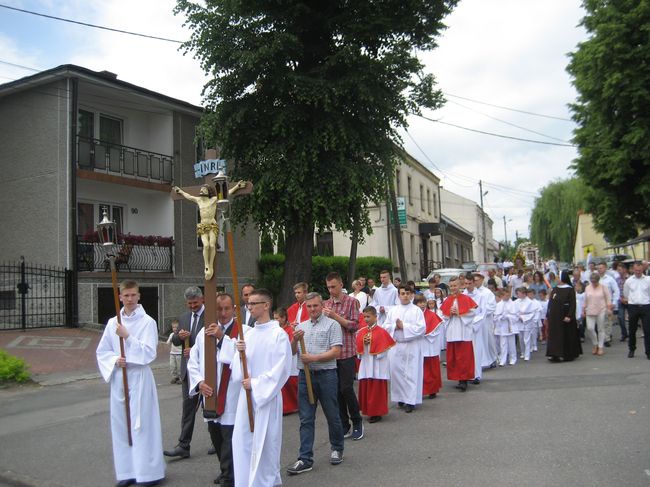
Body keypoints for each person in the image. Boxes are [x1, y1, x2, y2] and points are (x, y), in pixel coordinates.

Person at [96, 280, 165, 487]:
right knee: (121, 424)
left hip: (139, 376)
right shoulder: (112, 323)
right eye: (126, 295)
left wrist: (128, 337)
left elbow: (149, 352)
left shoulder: (147, 322)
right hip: (120, 376)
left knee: (141, 424)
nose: (130, 299)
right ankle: (127, 471)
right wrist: (115, 361)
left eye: (133, 295)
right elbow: (103, 351)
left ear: (139, 296)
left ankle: (149, 472)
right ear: (119, 297)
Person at [231, 289, 292, 486]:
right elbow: (238, 372)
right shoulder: (247, 334)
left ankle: (264, 482)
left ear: (266, 305)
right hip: (246, 398)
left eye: (253, 304)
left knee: (266, 444)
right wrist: (240, 354)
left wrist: (256, 384)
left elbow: (281, 370)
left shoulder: (278, 335)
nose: (249, 307)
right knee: (242, 442)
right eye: (248, 304)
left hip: (266, 398)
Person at [187, 293, 248, 487]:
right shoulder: (204, 332)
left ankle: (229, 477)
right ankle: (226, 471)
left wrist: (222, 338)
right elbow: (193, 361)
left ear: (234, 309)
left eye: (227, 309)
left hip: (231, 395)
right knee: (217, 437)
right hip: (210, 395)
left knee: (230, 439)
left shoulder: (243, 331)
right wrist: (199, 382)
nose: (223, 313)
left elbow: (242, 357)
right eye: (219, 309)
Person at [287, 292, 344, 475]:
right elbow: (292, 351)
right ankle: (305, 458)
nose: (312, 309)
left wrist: (314, 358)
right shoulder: (301, 327)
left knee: (332, 414)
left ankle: (336, 447)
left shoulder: (332, 325)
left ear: (321, 305)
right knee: (305, 418)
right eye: (309, 306)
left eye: (315, 306)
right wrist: (295, 340)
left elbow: (336, 352)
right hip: (305, 377)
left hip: (326, 375)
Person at [164, 286, 205, 459]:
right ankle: (183, 445)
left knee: (211, 409)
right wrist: (179, 337)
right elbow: (175, 341)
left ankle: (216, 442)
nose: (192, 306)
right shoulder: (184, 317)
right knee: (188, 409)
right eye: (189, 304)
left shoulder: (211, 316)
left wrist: (194, 348)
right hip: (188, 371)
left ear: (202, 299)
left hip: (206, 370)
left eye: (195, 303)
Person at [323, 272, 363, 440]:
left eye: (333, 286)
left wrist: (335, 317)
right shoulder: (326, 304)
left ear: (340, 284)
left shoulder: (351, 302)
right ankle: (344, 424)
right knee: (335, 391)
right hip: (332, 352)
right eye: (328, 287)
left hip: (346, 351)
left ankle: (357, 422)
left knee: (346, 388)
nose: (331, 290)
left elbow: (354, 325)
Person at [383, 285, 426, 412]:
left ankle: (410, 400)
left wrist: (404, 326)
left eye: (407, 293)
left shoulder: (416, 310)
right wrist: (394, 327)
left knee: (410, 373)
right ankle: (400, 397)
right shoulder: (393, 310)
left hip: (411, 345)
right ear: (398, 295)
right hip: (396, 345)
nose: (405, 296)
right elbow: (385, 326)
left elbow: (421, 328)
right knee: (397, 373)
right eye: (402, 293)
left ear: (412, 295)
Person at [356, 306, 395, 423]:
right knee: (366, 386)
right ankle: (367, 410)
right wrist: (364, 343)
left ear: (375, 317)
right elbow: (358, 348)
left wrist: (372, 342)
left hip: (378, 365)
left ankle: (377, 412)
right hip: (366, 363)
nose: (366, 319)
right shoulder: (361, 331)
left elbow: (385, 348)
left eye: (368, 316)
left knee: (376, 388)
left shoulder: (382, 331)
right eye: (364, 317)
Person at [173, 184, 219, 280]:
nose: (202, 190)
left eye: (204, 189)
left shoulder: (213, 199)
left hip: (212, 225)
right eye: (201, 189)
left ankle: (211, 266)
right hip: (202, 226)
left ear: (208, 191)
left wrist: (237, 187)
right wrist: (180, 191)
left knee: (212, 245)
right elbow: (189, 196)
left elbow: (226, 194)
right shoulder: (199, 200)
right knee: (206, 245)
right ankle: (206, 266)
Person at [440, 277, 477, 391]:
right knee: (455, 358)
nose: (453, 288)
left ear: (460, 286)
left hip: (463, 332)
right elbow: (442, 316)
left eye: (455, 285)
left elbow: (473, 312)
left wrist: (460, 312)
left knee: (464, 358)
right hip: (452, 332)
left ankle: (464, 380)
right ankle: (458, 378)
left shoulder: (466, 298)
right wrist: (449, 314)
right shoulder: (447, 300)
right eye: (451, 286)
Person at [545, 270, 582, 362]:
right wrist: (547, 314)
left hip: (565, 316)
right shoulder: (555, 289)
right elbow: (550, 302)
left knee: (566, 335)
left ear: (562, 278)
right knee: (555, 336)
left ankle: (567, 354)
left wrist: (569, 315)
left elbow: (573, 304)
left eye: (558, 277)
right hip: (554, 317)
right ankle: (554, 354)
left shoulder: (569, 289)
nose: (556, 279)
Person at [414, 294, 444, 399]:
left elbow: (437, 329)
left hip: (429, 345)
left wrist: (426, 334)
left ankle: (432, 390)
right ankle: (421, 389)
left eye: (423, 302)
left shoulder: (431, 315)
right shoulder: (413, 315)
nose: (422, 304)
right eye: (419, 302)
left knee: (431, 369)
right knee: (420, 369)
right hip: (418, 344)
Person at [623, 262, 650, 359]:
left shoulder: (648, 280)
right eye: (636, 270)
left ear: (642, 270)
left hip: (646, 306)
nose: (638, 272)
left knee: (647, 330)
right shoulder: (629, 281)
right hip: (633, 306)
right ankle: (632, 349)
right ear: (633, 270)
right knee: (632, 330)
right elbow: (626, 294)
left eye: (639, 270)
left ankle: (648, 352)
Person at [275, 307, 299, 415]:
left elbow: (291, 345)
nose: (276, 321)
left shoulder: (289, 330)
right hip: (279, 360)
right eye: (274, 318)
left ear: (284, 318)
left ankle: (295, 405)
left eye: (277, 318)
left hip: (291, 361)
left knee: (291, 385)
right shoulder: (277, 330)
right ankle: (286, 407)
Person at [583, 272, 612, 356]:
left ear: (598, 281)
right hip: (590, 310)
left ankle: (600, 346)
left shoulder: (603, 287)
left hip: (601, 309)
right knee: (590, 328)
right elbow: (585, 299)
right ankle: (595, 344)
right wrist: (583, 309)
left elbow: (608, 298)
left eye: (595, 281)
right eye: (592, 281)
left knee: (600, 329)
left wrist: (609, 309)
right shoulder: (588, 288)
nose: (593, 283)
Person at [596, 262, 620, 347]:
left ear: (605, 268)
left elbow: (616, 291)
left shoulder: (610, 279)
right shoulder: (595, 279)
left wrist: (614, 303)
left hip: (607, 303)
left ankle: (606, 338)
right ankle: (601, 336)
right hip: (597, 304)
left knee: (607, 322)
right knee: (599, 322)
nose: (600, 270)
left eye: (601, 268)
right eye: (598, 268)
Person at [493, 289, 516, 366]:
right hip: (502, 327)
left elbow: (515, 316)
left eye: (507, 295)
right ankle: (503, 360)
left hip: (510, 327)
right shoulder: (499, 304)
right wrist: (501, 317)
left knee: (511, 344)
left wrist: (508, 316)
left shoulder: (513, 304)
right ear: (502, 296)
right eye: (504, 295)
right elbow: (495, 317)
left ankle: (512, 358)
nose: (506, 297)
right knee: (503, 344)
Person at [513, 287, 537, 361]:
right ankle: (522, 352)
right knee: (520, 339)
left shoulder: (530, 302)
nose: (518, 295)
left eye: (519, 293)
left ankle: (527, 354)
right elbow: (514, 311)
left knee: (526, 339)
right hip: (519, 321)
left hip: (527, 322)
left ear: (523, 294)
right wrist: (518, 317)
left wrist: (524, 318)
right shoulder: (516, 302)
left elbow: (532, 313)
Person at [616, 265, 629, 341]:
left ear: (624, 270)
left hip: (630, 300)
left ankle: (631, 333)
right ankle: (624, 334)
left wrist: (628, 299)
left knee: (632, 319)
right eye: (618, 270)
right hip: (621, 300)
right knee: (620, 318)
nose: (619, 271)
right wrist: (621, 298)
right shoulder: (617, 280)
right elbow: (616, 290)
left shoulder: (630, 278)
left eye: (620, 269)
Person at [167, 319, 182, 384]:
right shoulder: (171, 334)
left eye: (176, 327)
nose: (175, 329)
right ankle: (175, 377)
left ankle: (181, 378)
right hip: (172, 353)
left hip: (179, 353)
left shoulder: (181, 334)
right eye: (173, 327)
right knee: (172, 366)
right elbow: (168, 342)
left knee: (179, 367)